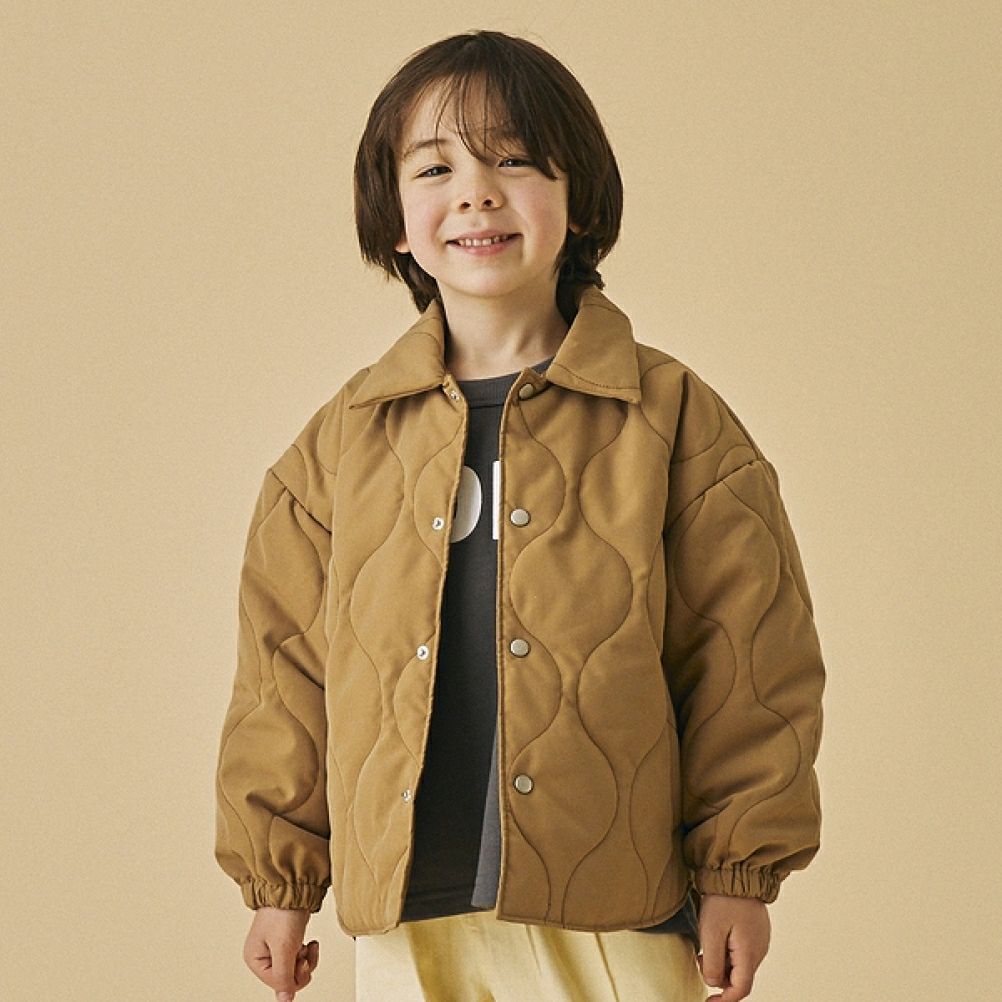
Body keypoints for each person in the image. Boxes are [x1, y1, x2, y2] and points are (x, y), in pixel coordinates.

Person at [214, 29, 826, 1002]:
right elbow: (283, 670)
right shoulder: (343, 442)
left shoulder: (670, 419)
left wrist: (736, 873)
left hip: (613, 908)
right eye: (436, 168)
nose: (477, 194)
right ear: (396, 221)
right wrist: (280, 882)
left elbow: (748, 657)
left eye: (515, 161)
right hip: (410, 913)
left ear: (578, 201)